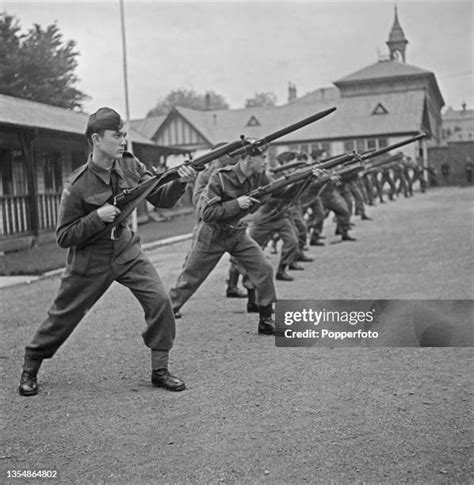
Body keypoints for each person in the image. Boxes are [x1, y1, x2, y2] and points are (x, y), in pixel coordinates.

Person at [18, 107, 196, 397]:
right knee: (64, 315)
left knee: (160, 301)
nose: (124, 140)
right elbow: (63, 236)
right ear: (97, 139)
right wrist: (96, 216)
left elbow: (160, 198)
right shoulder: (77, 185)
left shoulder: (130, 166)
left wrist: (181, 182)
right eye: (118, 135)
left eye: (124, 134)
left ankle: (160, 369)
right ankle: (31, 365)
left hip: (126, 249)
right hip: (91, 257)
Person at [169, 145, 318, 335]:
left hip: (236, 234)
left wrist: (308, 178)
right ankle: (166, 312)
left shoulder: (260, 177)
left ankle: (265, 319)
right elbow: (207, 213)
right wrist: (236, 203)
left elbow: (284, 193)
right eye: (262, 158)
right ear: (248, 159)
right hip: (212, 235)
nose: (265, 162)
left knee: (264, 268)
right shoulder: (220, 177)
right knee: (189, 279)